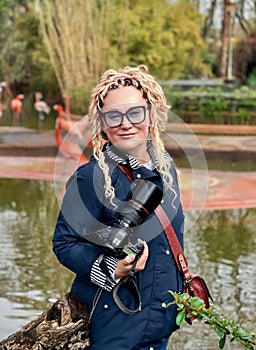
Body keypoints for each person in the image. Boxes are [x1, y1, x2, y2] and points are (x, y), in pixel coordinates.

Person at [53, 65, 185, 350]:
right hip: (114, 327)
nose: (125, 123)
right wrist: (112, 268)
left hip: (160, 326)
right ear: (102, 122)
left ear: (152, 113)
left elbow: (175, 239)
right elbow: (64, 243)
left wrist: (177, 297)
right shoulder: (91, 177)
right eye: (114, 115)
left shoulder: (166, 168)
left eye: (135, 112)